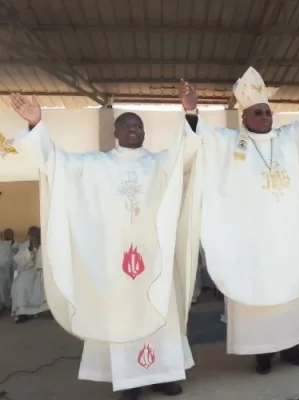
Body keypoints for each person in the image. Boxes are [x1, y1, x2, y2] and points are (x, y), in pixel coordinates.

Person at [8, 93, 203, 399]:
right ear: (115, 133)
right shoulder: (95, 165)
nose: (134, 130)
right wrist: (36, 124)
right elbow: (55, 162)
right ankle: (130, 381)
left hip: (154, 258)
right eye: (126, 125)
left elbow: (187, 152)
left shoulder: (159, 164)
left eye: (138, 125)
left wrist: (190, 113)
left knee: (160, 311)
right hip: (115, 261)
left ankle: (162, 374)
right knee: (122, 315)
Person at [178, 67, 299, 375]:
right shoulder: (232, 144)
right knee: (257, 296)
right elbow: (202, 136)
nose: (265, 117)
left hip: (289, 238)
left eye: (268, 111)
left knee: (293, 294)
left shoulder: (289, 138)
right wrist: (191, 109)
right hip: (255, 243)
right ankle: (262, 355)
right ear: (244, 117)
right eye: (258, 112)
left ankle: (293, 348)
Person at [11, 226, 49, 323]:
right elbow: (19, 262)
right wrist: (30, 250)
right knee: (20, 281)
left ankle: (47, 309)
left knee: (46, 280)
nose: (33, 237)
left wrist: (39, 247)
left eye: (35, 234)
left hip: (43, 271)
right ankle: (23, 313)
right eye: (31, 235)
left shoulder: (47, 243)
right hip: (29, 271)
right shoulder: (25, 245)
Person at [0, 228, 16, 314]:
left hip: (10, 271)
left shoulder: (14, 245)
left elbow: (8, 260)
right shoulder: (4, 245)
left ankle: (8, 304)